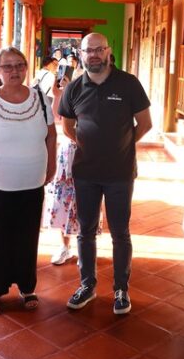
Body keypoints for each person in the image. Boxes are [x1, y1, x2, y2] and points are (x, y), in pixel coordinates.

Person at [58, 32, 152, 315]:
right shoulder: (74, 88)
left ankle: (121, 288)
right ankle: (87, 284)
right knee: (85, 231)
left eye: (99, 49)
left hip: (120, 172)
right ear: (81, 54)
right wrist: (88, 145)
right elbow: (67, 126)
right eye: (88, 50)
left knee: (120, 232)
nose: (94, 54)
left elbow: (145, 123)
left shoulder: (128, 83)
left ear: (109, 51)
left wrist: (122, 144)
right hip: (85, 172)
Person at [0, 47, 57, 314]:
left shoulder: (41, 99)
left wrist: (52, 164)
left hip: (32, 179)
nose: (14, 71)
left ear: (26, 67)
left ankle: (26, 286)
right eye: (7, 66)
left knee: (27, 235)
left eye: (19, 65)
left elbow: (51, 135)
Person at [43, 73, 103, 266]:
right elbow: (57, 118)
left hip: (91, 154)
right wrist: (60, 93)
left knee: (88, 200)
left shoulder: (99, 99)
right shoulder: (69, 95)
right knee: (63, 199)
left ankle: (85, 248)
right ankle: (64, 247)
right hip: (68, 153)